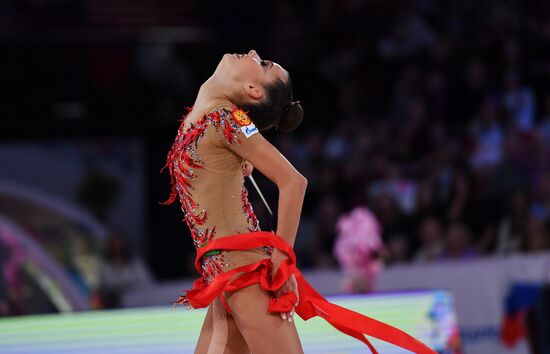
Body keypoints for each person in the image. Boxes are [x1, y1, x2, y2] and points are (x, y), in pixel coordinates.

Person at [160, 49, 435, 354]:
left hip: (246, 278)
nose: (253, 53)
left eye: (263, 64)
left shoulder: (227, 118)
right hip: (224, 281)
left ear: (252, 90)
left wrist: (281, 260)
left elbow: (294, 182)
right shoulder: (208, 117)